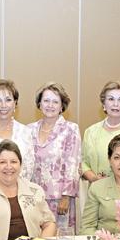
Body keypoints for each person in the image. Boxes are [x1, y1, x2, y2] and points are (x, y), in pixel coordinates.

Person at [28, 82, 81, 229]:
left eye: (55, 101)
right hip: (33, 197)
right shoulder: (29, 129)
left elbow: (73, 164)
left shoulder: (71, 129)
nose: (50, 105)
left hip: (59, 199)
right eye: (46, 100)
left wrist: (66, 196)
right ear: (39, 103)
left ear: (62, 106)